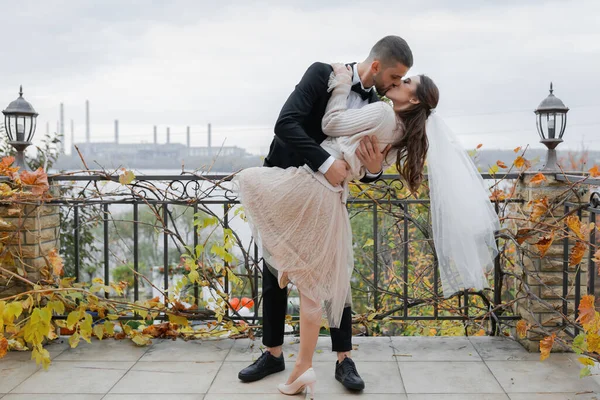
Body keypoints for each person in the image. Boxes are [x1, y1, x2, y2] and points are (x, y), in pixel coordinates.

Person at [237, 35, 414, 393]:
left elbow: (366, 158)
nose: (394, 87)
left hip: (325, 196)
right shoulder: (322, 74)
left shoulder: (376, 104)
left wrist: (376, 168)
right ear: (377, 66)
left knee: (335, 274)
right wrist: (325, 163)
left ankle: (343, 358)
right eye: (394, 79)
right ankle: (272, 352)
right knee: (276, 271)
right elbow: (286, 124)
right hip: (287, 182)